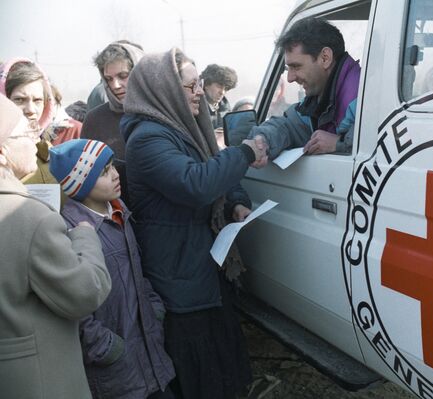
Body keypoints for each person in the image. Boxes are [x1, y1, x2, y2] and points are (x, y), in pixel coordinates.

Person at [121, 48, 265, 398]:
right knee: (198, 369)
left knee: (219, 355)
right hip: (178, 274)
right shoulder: (147, 139)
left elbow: (215, 170)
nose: (198, 91)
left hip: (200, 265)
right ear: (164, 91)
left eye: (198, 83)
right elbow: (197, 183)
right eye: (188, 86)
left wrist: (237, 204)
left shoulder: (183, 129)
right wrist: (245, 152)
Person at [0, 94, 112, 399]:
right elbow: (85, 292)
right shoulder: (27, 216)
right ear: (1, 151)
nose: (36, 142)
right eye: (26, 133)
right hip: (39, 382)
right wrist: (85, 236)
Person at [49, 139, 175, 399]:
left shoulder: (120, 214)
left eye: (112, 166)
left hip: (149, 355)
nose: (116, 174)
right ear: (80, 183)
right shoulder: (70, 232)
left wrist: (154, 309)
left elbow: (136, 273)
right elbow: (73, 305)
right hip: (116, 368)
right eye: (104, 171)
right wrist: (105, 346)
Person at [248, 18, 361, 164]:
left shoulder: (365, 98)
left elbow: (386, 142)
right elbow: (287, 126)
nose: (290, 78)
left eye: (296, 66)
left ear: (325, 58)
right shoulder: (318, 99)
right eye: (288, 69)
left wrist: (340, 143)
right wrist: (262, 141)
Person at [81, 40, 144, 206]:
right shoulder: (95, 120)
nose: (115, 85)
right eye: (109, 79)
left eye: (123, 76)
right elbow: (87, 180)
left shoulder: (162, 112)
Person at [0, 58, 64, 192]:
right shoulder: (4, 159)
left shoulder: (53, 153)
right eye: (19, 99)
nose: (31, 110)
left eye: (38, 100)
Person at [200, 64, 238, 130]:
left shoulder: (227, 111)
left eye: (226, 88)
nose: (222, 92)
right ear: (206, 84)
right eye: (219, 86)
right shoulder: (196, 108)